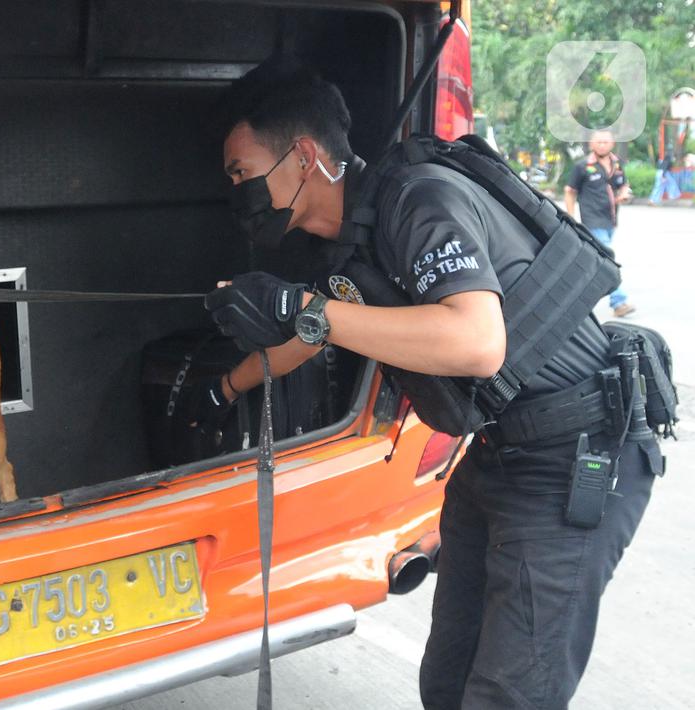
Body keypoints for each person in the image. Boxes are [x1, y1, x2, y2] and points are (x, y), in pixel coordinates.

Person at [197, 59, 659, 709]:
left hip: (576, 457)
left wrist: (303, 308)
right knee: (447, 682)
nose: (237, 190)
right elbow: (309, 335)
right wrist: (223, 388)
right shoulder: (346, 244)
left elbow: (476, 343)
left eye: (241, 172)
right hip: (497, 455)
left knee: (508, 696)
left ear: (302, 156)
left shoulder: (418, 198)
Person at [565, 130, 635, 317]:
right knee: (607, 259)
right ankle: (618, 302)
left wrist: (624, 194)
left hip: (610, 220)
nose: (602, 145)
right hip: (592, 220)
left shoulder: (617, 164)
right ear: (591, 144)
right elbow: (570, 191)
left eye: (606, 142)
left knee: (593, 262)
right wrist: (571, 217)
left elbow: (623, 185)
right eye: (598, 142)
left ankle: (572, 298)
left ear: (612, 144)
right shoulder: (582, 166)